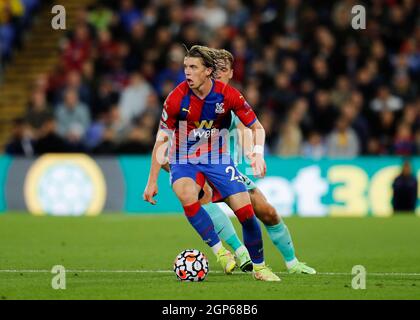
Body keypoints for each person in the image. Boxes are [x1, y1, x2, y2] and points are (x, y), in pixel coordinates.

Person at [143, 45, 280, 281]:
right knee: (186, 194)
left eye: (193, 67)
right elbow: (161, 139)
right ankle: (221, 252)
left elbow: (256, 127)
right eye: (186, 67)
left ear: (208, 71)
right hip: (184, 158)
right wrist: (152, 180)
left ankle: (260, 268)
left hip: (217, 158)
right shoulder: (176, 99)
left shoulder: (229, 95)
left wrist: (258, 153)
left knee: (246, 213)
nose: (187, 72)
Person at [198, 48, 316, 274]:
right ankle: (239, 251)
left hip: (225, 168)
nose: (218, 74)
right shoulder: (195, 98)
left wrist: (253, 152)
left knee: (267, 211)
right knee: (201, 193)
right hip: (197, 166)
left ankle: (293, 264)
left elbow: (244, 129)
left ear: (231, 73)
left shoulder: (230, 102)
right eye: (214, 70)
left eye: (223, 70)